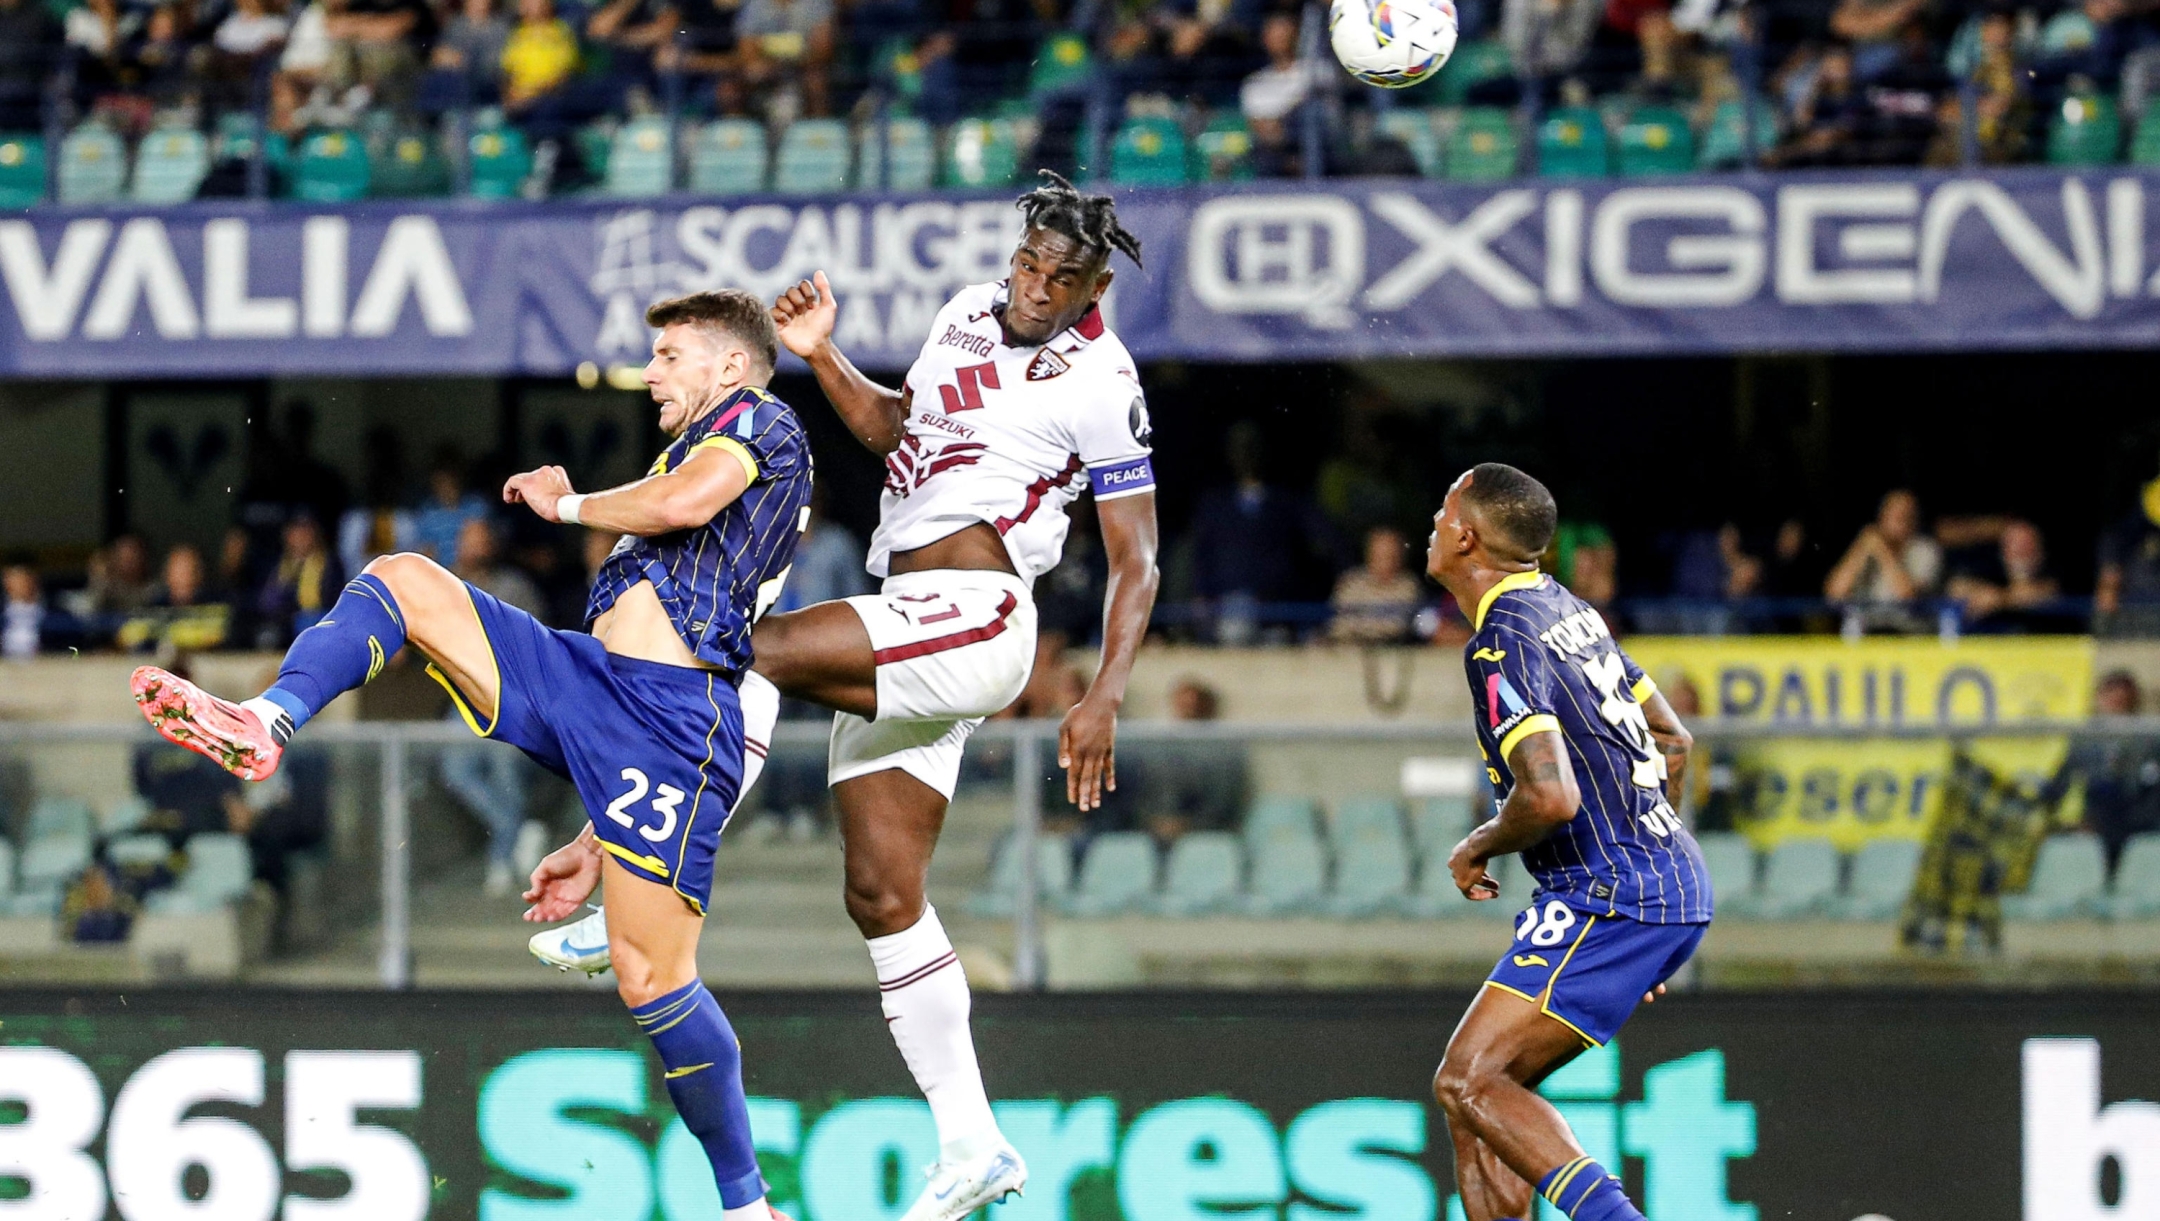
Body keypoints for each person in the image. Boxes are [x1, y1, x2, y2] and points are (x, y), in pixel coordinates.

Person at [538, 171, 1160, 1221]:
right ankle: (972, 1142)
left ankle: (648, 869)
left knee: (748, 648)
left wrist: (1104, 692)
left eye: (1062, 278)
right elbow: (892, 434)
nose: (1036, 287)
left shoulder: (1105, 378)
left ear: (1095, 285)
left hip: (979, 612)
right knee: (880, 890)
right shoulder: (966, 311)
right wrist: (823, 353)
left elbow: (1136, 557)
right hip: (909, 614)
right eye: (1028, 264)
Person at [128, 289, 812, 1221]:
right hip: (590, 680)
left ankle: (746, 1206)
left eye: (669, 354)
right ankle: (269, 719)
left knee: (652, 973)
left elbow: (683, 503)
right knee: (403, 577)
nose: (650, 372)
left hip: (670, 721)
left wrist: (566, 501)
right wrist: (593, 837)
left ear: (730, 365)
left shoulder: (763, 422)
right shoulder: (688, 443)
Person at [1425, 463, 1708, 1221]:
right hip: (1651, 885)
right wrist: (1653, 900)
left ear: (1465, 534)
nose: (1433, 521)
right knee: (1477, 1097)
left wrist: (1478, 844)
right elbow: (1672, 741)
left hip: (1611, 892)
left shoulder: (1503, 639)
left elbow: (1550, 796)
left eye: (1442, 509)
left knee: (1467, 1079)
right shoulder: (1567, 609)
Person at [1823, 487, 1941, 631]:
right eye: (1894, 513)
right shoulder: (1865, 546)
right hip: (1866, 635)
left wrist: (1883, 551)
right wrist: (1858, 551)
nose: (1901, 519)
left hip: (1906, 635)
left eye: (1906, 514)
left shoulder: (1925, 549)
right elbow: (1834, 596)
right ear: (1881, 516)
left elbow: (1907, 597)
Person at [1330, 525, 1424, 643]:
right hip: (1348, 651)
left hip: (1391, 652)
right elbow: (1339, 625)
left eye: (1391, 555)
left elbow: (1397, 627)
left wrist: (1362, 629)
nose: (1386, 562)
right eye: (1379, 555)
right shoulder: (1351, 583)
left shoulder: (1409, 586)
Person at [3, 560, 44, 659]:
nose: (20, 583)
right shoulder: (3, 613)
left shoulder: (53, 613)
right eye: (15, 578)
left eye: (25, 578)